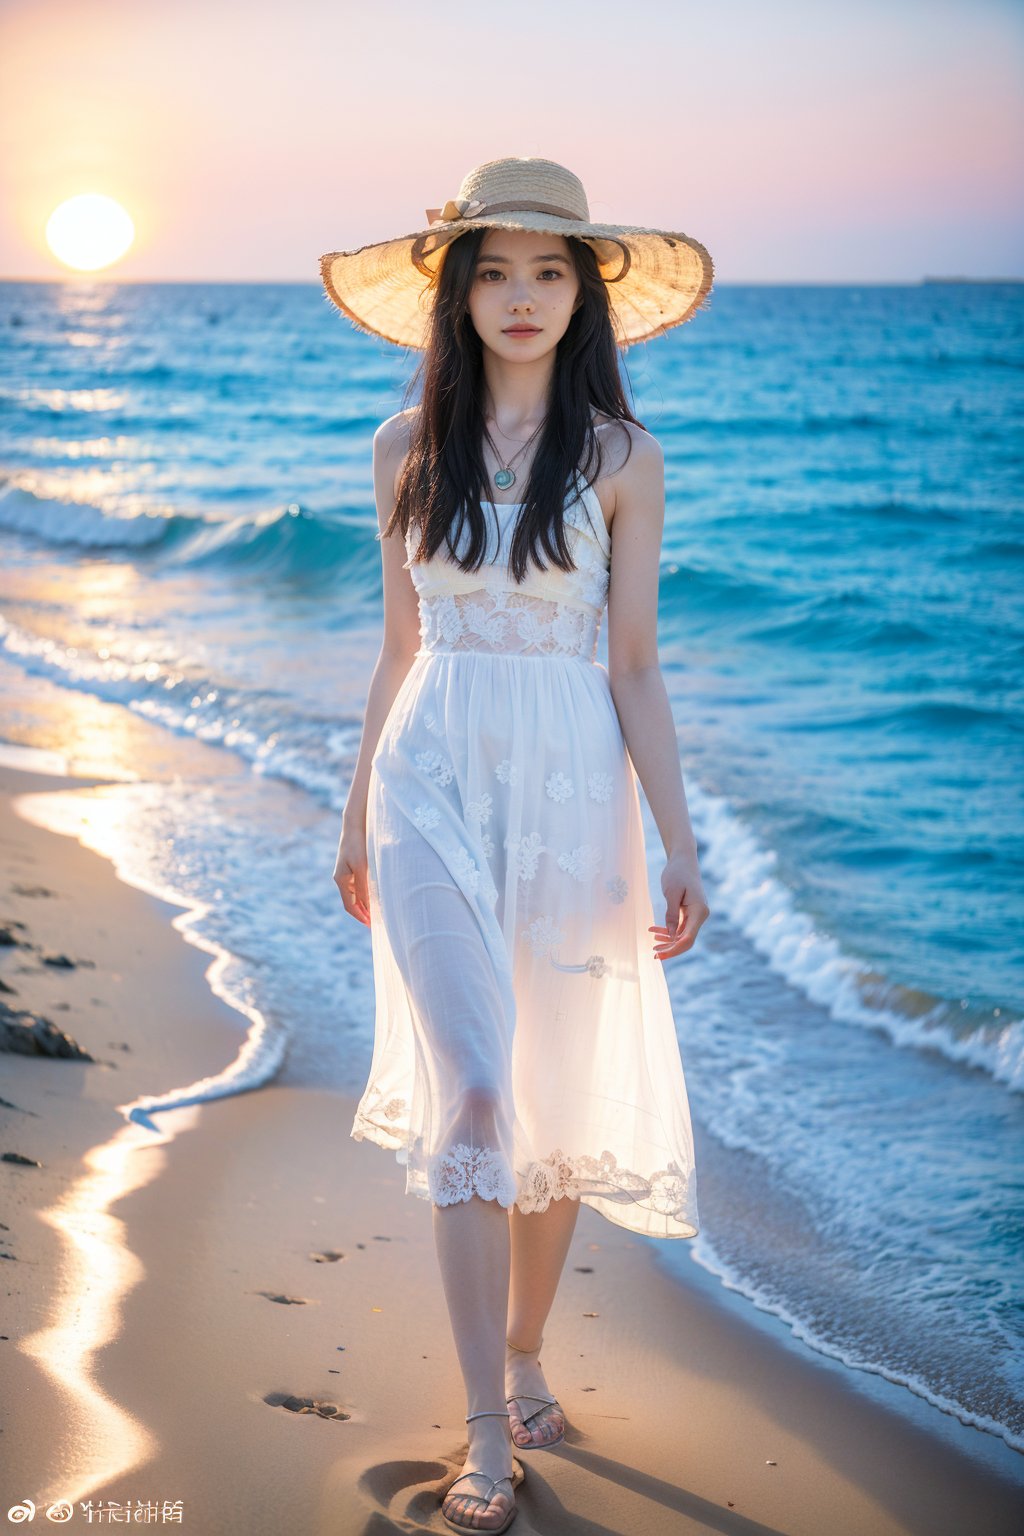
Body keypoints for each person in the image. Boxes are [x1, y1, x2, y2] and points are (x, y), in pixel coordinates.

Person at [321, 155, 714, 1534]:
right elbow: (395, 649)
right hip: (428, 779)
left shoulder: (620, 460)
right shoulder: (399, 448)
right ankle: (487, 1427)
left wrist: (678, 840)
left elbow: (639, 666)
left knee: (553, 1105)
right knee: (479, 1100)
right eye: (495, 269)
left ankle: (529, 1346)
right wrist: (353, 802)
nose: (523, 295)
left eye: (551, 270)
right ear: (456, 289)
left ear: (588, 291)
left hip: (572, 796)